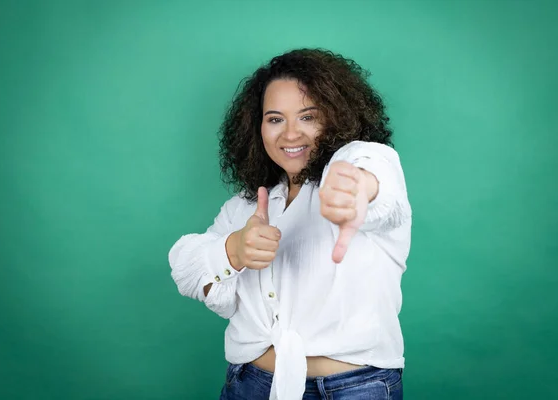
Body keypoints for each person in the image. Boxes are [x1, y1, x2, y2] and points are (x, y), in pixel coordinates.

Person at [168, 48, 411, 400]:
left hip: (356, 389)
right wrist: (233, 250)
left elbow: (375, 171)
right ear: (257, 127)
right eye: (275, 119)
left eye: (309, 116)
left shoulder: (355, 167)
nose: (291, 134)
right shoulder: (249, 205)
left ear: (337, 118)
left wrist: (361, 188)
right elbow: (185, 267)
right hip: (250, 385)